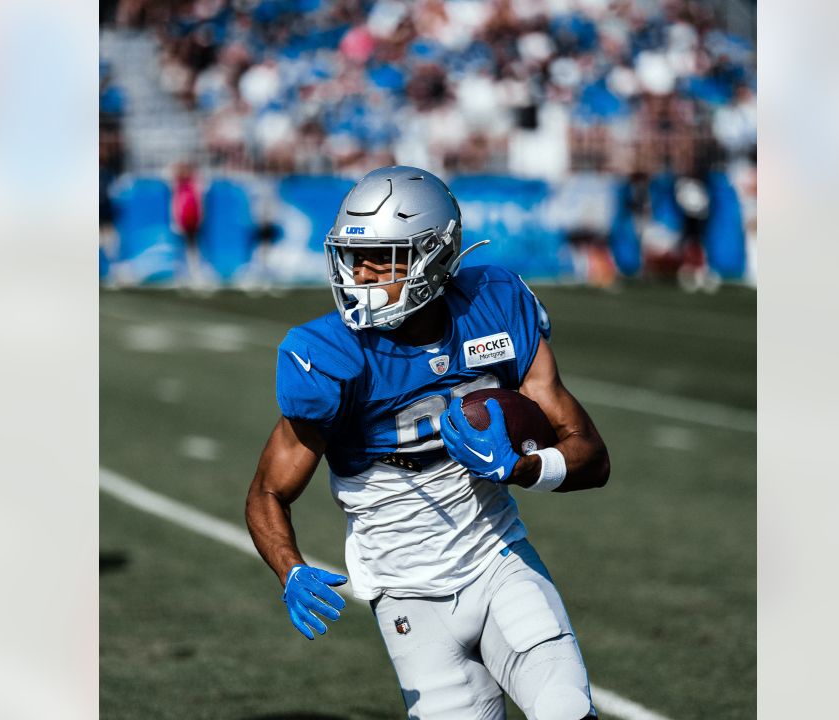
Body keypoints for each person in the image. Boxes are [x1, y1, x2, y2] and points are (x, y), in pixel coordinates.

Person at [245, 166, 611, 720]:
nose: (360, 273)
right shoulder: (331, 355)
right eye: (352, 256)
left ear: (435, 254)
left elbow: (591, 453)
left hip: (498, 559)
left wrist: (526, 467)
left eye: (382, 257)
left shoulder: (494, 304)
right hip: (406, 593)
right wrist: (290, 568)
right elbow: (268, 492)